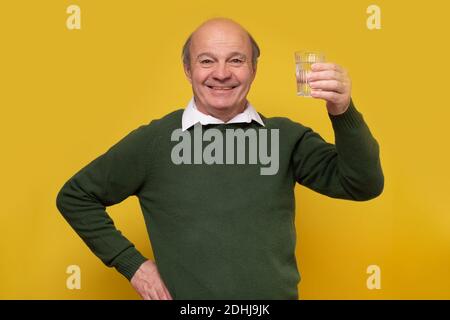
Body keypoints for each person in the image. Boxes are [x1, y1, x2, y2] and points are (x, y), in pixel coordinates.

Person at [56, 17, 384, 300]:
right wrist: (133, 265)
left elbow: (363, 185)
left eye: (236, 60)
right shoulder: (156, 141)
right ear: (188, 69)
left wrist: (342, 111)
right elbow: (76, 196)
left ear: (254, 68)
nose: (222, 73)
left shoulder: (285, 138)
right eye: (207, 61)